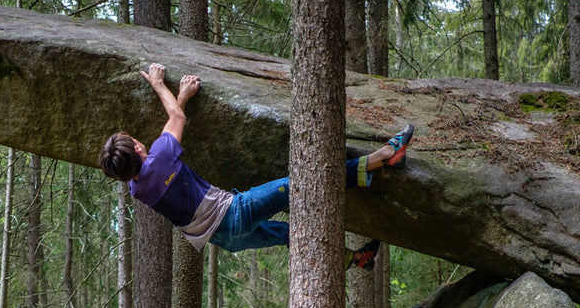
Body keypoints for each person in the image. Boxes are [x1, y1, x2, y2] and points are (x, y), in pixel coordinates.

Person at [98, 62, 414, 270]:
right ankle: (382, 157)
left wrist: (178, 99)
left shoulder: (137, 188)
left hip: (223, 240)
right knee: (304, 182)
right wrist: (162, 86)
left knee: (294, 235)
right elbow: (176, 119)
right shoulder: (159, 157)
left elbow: (169, 132)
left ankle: (356, 260)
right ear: (140, 148)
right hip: (235, 213)